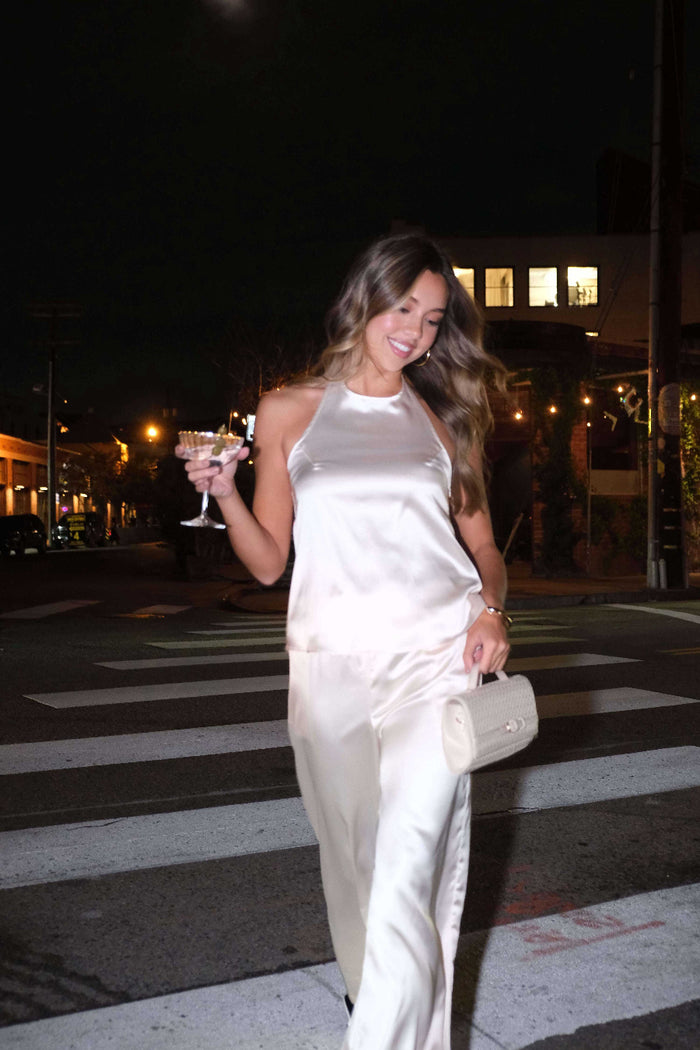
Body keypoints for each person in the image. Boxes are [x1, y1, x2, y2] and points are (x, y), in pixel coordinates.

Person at [177, 233, 511, 1050]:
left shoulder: (441, 420)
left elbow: (487, 551)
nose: (416, 332)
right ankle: (377, 1002)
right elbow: (266, 565)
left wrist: (492, 611)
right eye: (404, 308)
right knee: (354, 863)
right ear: (365, 299)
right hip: (330, 665)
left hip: (436, 661)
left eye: (433, 319)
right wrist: (224, 494)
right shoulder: (288, 411)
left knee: (407, 866)